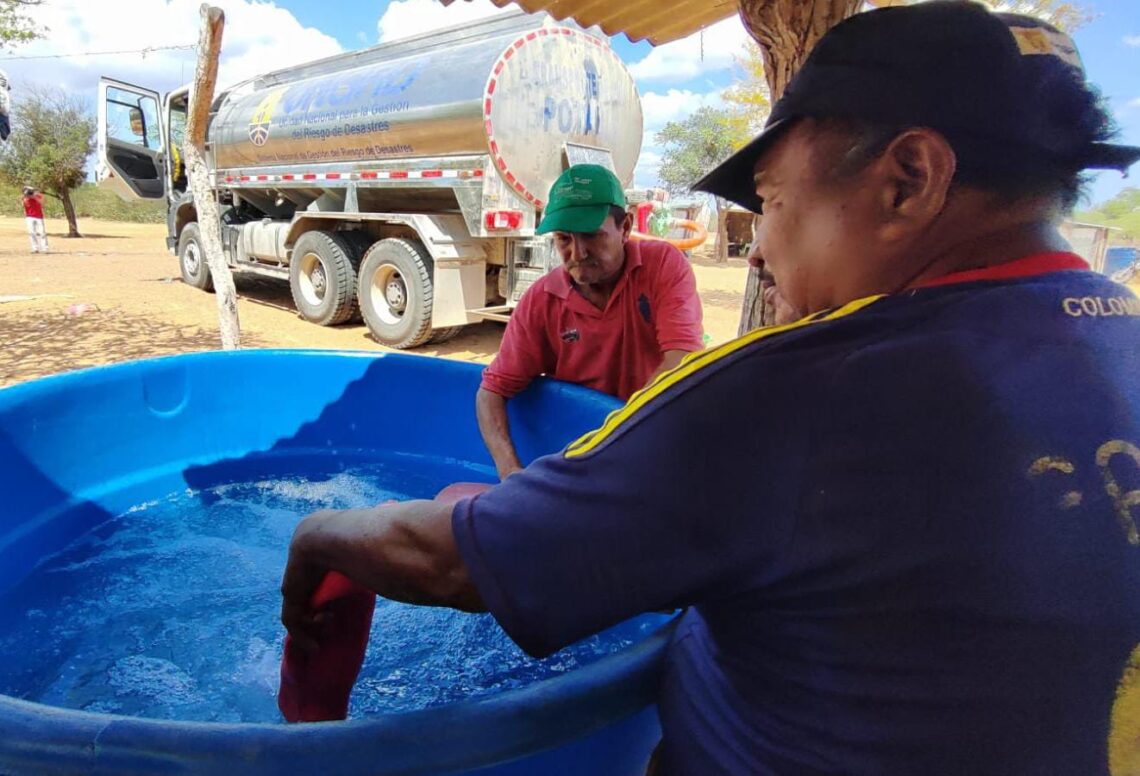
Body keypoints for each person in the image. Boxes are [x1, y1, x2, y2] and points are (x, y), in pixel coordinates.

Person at [282, 3, 1140, 773]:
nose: (757, 249)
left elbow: (450, 558)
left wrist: (322, 533)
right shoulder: (1122, 339)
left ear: (908, 179)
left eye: (767, 199)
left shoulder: (795, 390)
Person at [476, 163, 704, 479]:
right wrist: (510, 471)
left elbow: (682, 359)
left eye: (591, 236)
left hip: (656, 438)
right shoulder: (541, 300)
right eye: (564, 239)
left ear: (625, 227)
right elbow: (491, 391)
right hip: (581, 454)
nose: (578, 252)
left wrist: (617, 439)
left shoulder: (663, 266)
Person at [22, 186, 47, 254]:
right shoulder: (25, 198)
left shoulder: (39, 196)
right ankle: (35, 248)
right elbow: (24, 205)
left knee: (42, 232)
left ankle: (44, 248)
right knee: (31, 232)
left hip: (39, 216)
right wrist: (27, 196)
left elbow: (43, 204)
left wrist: (35, 197)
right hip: (29, 217)